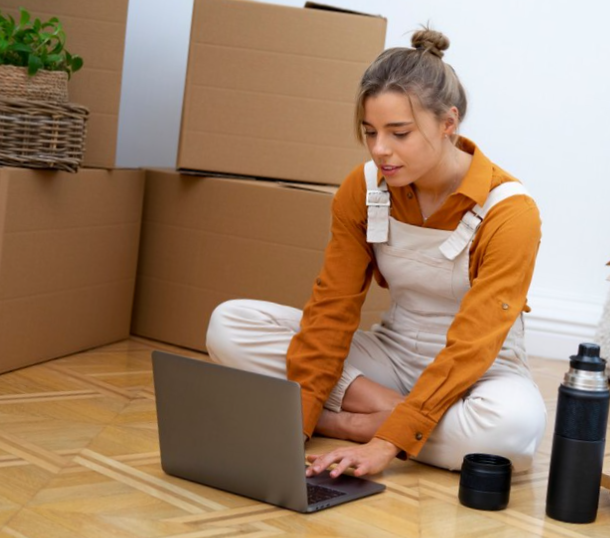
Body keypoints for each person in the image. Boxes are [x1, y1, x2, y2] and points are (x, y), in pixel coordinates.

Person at [206, 28, 546, 479]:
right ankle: (389, 420)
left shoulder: (510, 212)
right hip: (390, 358)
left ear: (449, 123)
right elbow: (333, 308)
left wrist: (385, 443)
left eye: (399, 133)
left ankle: (366, 423)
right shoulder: (364, 188)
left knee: (510, 435)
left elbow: (474, 345)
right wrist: (295, 425)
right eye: (370, 132)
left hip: (481, 373)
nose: (380, 149)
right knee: (231, 325)